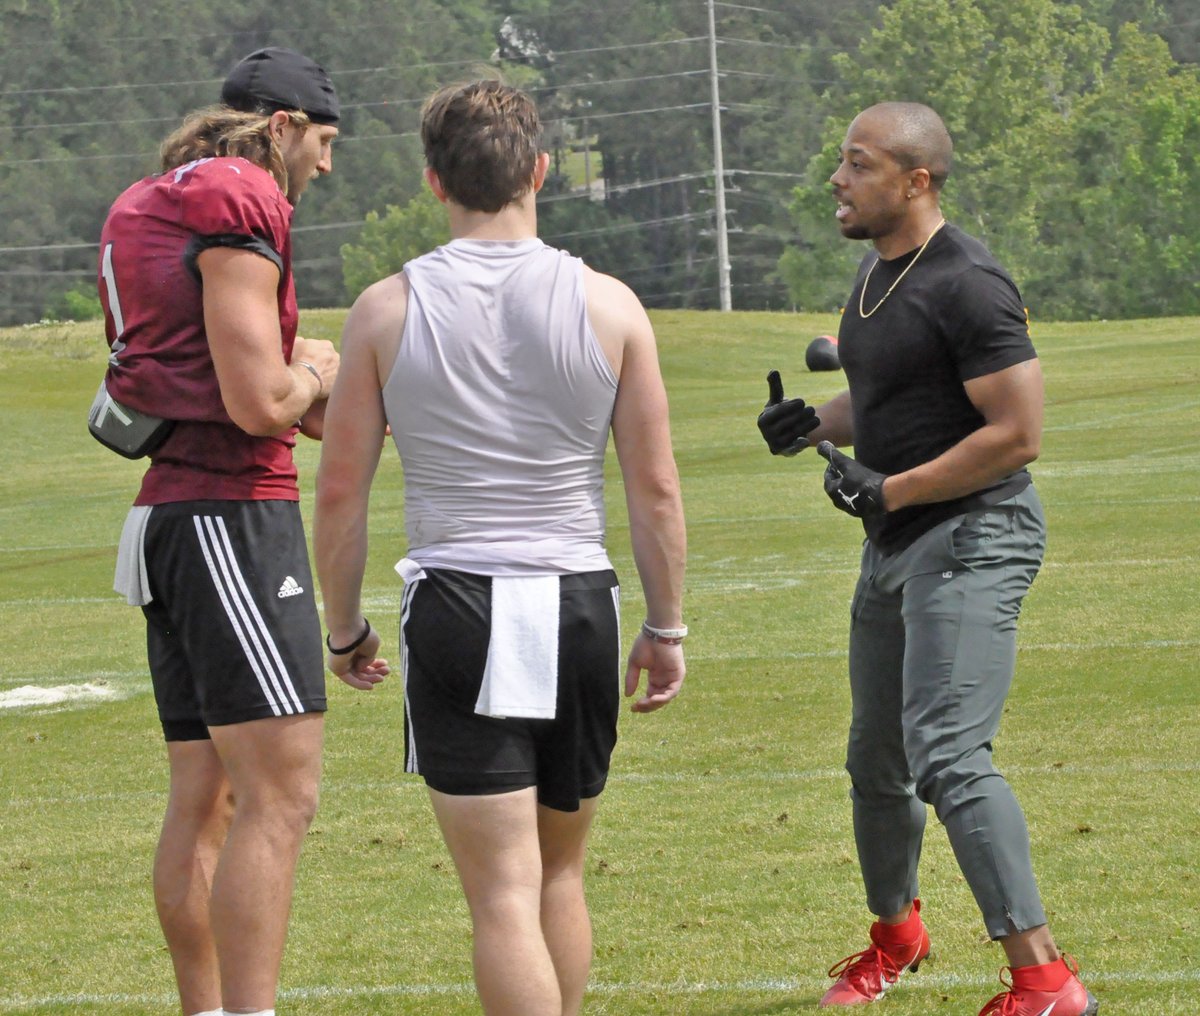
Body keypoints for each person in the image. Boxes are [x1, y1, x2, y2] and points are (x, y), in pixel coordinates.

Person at [312, 79, 687, 1016]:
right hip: (576, 600)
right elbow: (655, 489)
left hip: (460, 602)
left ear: (435, 182)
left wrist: (345, 627)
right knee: (559, 878)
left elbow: (342, 491)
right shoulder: (611, 306)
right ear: (541, 170)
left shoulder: (385, 309)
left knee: (503, 896)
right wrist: (667, 625)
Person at [756, 102, 1098, 1016]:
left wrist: (893, 491)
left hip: (974, 532)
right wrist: (815, 425)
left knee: (947, 751)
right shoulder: (876, 275)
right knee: (876, 760)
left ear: (916, 180)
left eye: (858, 165)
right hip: (898, 542)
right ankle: (897, 937)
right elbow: (894, 402)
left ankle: (1045, 981)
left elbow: (1016, 434)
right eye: (841, 160)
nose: (837, 178)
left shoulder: (968, 281)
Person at [95, 47, 349, 1016]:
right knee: (280, 796)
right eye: (322, 141)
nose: (326, 166)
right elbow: (259, 403)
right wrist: (318, 369)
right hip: (228, 516)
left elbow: (267, 392)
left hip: (171, 513)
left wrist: (314, 383)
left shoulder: (168, 196)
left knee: (207, 799)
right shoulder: (243, 196)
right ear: (280, 127)